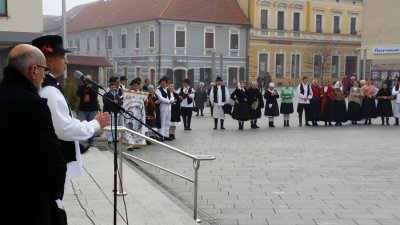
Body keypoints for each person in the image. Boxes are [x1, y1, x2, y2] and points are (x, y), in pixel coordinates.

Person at [32, 35, 110, 208]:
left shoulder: (49, 85)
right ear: (49, 62)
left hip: (53, 157)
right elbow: (64, 128)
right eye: (62, 57)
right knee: (54, 204)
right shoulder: (49, 91)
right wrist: (95, 124)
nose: (66, 61)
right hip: (54, 159)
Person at [0, 44, 67, 225]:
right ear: (33, 70)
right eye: (44, 70)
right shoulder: (33, 104)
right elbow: (50, 157)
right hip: (27, 201)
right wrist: (55, 191)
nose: (45, 75)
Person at [123, 79, 147, 150]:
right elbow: (124, 100)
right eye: (134, 85)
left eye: (137, 85)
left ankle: (137, 143)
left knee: (137, 128)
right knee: (129, 128)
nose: (136, 86)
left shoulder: (141, 93)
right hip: (130, 113)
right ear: (131, 86)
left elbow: (145, 102)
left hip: (139, 114)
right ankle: (130, 144)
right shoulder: (128, 93)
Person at [76, 75, 99, 147]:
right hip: (83, 109)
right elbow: (78, 94)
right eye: (86, 80)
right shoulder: (81, 86)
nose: (87, 81)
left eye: (89, 80)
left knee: (91, 126)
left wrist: (90, 87)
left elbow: (95, 95)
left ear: (91, 80)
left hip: (92, 109)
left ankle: (91, 141)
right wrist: (84, 86)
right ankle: (82, 142)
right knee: (83, 126)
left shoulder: (94, 86)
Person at [155, 76, 174, 141]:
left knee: (167, 122)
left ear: (166, 83)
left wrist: (171, 100)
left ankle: (166, 135)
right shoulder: (158, 90)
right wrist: (168, 101)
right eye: (162, 82)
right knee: (162, 122)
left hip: (169, 108)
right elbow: (160, 98)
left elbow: (172, 96)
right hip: (163, 107)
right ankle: (161, 136)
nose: (163, 84)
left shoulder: (168, 90)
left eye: (164, 82)